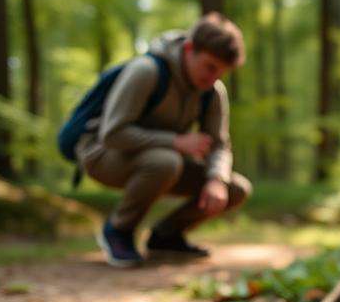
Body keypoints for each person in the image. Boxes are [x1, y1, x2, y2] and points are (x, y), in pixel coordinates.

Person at [77, 13, 252, 267]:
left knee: (235, 189)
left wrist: (216, 179)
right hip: (103, 156)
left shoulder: (212, 92)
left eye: (221, 73)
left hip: (162, 161)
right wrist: (176, 142)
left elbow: (219, 144)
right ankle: (119, 229)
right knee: (165, 161)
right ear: (190, 49)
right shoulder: (146, 71)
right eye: (210, 67)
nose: (214, 78)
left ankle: (166, 236)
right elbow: (112, 133)